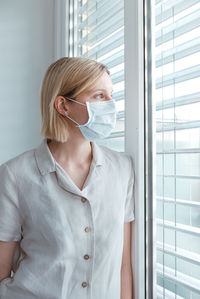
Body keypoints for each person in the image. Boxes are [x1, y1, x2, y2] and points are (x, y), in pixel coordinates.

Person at [0, 57, 135, 299]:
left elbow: (124, 264)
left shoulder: (123, 169)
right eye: (99, 96)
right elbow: (1, 267)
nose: (111, 105)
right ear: (63, 106)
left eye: (111, 95)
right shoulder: (15, 174)